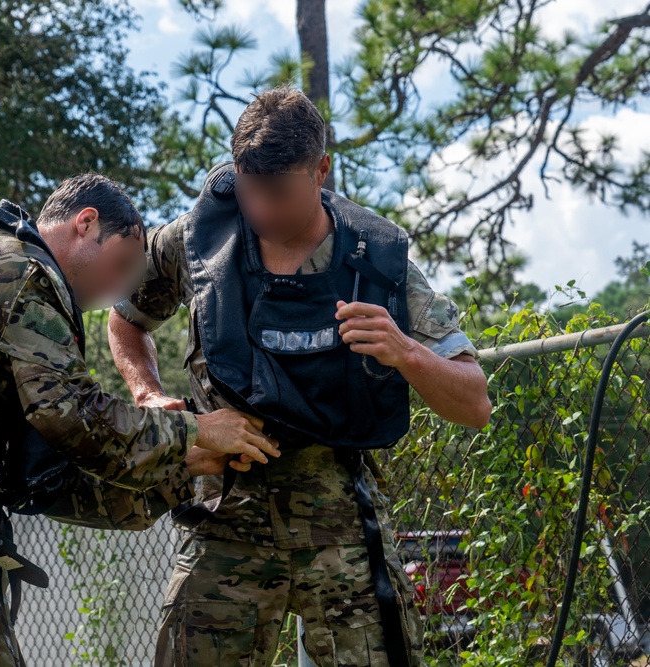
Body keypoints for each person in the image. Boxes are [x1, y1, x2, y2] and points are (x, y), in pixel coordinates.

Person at [0, 173, 280, 666]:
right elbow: (69, 415)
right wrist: (198, 429)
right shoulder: (20, 267)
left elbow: (39, 481)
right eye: (121, 265)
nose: (117, 290)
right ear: (86, 224)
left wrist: (179, 467)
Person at [108, 86, 492, 667]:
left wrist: (406, 351)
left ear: (321, 170)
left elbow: (475, 404)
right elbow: (125, 319)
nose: (261, 210)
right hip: (225, 512)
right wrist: (149, 393)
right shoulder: (198, 239)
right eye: (249, 190)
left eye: (279, 193)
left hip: (338, 516)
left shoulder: (376, 260)